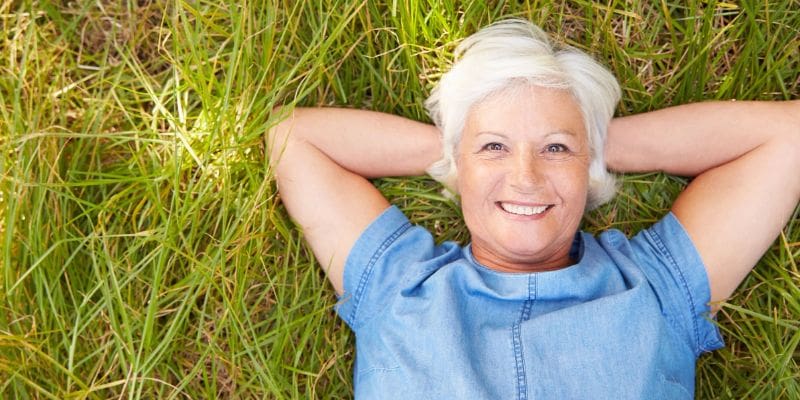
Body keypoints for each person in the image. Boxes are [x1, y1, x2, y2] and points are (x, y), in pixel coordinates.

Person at [267, 19, 800, 399]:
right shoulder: (397, 284)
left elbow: (789, 136)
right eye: (496, 148)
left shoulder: (658, 289)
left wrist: (587, 144)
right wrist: (461, 149)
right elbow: (294, 138)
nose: (525, 177)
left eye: (555, 150)